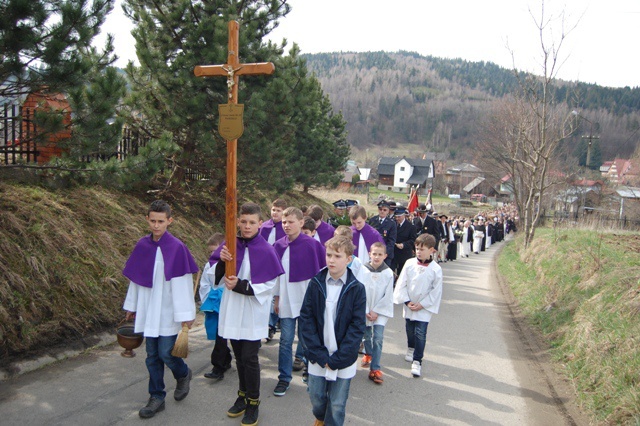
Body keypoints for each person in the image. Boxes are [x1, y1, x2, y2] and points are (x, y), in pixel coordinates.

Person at [207, 202, 285, 426]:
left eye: (252, 222)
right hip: (232, 309)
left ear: (260, 223)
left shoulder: (266, 249)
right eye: (243, 221)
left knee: (250, 358)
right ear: (238, 221)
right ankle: (242, 395)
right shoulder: (229, 245)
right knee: (239, 355)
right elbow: (213, 275)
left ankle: (254, 402)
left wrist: (241, 285)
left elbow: (269, 283)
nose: (247, 226)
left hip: (252, 311)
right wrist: (222, 260)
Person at [122, 200, 199, 419]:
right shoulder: (142, 245)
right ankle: (157, 396)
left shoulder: (176, 248)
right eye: (153, 221)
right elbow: (136, 279)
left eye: (161, 221)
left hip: (168, 310)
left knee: (167, 353)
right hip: (148, 308)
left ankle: (183, 373)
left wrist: (186, 315)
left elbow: (183, 284)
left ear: (169, 221)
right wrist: (132, 306)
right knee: (151, 356)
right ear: (147, 220)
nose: (156, 225)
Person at [300, 236, 366, 426]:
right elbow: (307, 318)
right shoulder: (316, 283)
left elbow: (357, 326)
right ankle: (320, 417)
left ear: (349, 259)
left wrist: (341, 357)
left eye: (337, 256)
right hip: (319, 353)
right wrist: (317, 352)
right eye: (329, 255)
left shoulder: (357, 288)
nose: (331, 260)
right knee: (316, 396)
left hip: (342, 356)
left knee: (337, 404)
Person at [273, 207, 326, 397]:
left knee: (307, 340)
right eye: (284, 222)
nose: (286, 225)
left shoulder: (312, 245)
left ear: (301, 223)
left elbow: (322, 274)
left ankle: (310, 374)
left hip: (306, 301)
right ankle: (284, 378)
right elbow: (276, 276)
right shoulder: (278, 246)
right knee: (285, 341)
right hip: (287, 299)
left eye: (291, 222)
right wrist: (277, 298)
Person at [393, 233, 442, 378]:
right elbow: (402, 283)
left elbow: (436, 291)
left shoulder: (435, 269)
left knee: (420, 333)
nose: (419, 251)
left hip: (424, 307)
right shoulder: (409, 263)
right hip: (409, 304)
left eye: (422, 249)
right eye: (417, 248)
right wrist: (407, 301)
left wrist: (422, 304)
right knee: (410, 329)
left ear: (432, 250)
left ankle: (417, 360)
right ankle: (411, 348)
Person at [199, 233, 233, 381]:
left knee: (221, 335)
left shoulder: (230, 264)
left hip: (225, 303)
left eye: (215, 250)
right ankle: (226, 359)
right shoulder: (208, 265)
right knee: (217, 334)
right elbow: (205, 283)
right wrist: (208, 296)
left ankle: (218, 367)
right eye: (210, 251)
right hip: (213, 303)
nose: (213, 254)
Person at [361, 242, 394, 385]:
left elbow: (388, 295)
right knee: (366, 336)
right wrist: (366, 309)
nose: (377, 257)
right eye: (374, 253)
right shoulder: (363, 270)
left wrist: (376, 310)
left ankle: (375, 368)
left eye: (380, 254)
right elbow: (360, 291)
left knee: (378, 338)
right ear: (369, 254)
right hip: (365, 310)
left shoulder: (388, 273)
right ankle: (368, 354)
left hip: (380, 311)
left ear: (385, 256)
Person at [368, 200, 397, 266]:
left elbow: (391, 240)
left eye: (384, 210)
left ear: (388, 211)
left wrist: (383, 253)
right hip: (374, 253)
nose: (382, 211)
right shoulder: (372, 220)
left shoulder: (391, 223)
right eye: (380, 209)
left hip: (386, 255)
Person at [391, 206, 416, 277]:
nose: (397, 219)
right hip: (393, 253)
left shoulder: (411, 227)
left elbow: (413, 240)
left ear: (404, 215)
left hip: (404, 254)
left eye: (399, 217)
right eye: (396, 217)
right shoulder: (393, 224)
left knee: (402, 274)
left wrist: (403, 245)